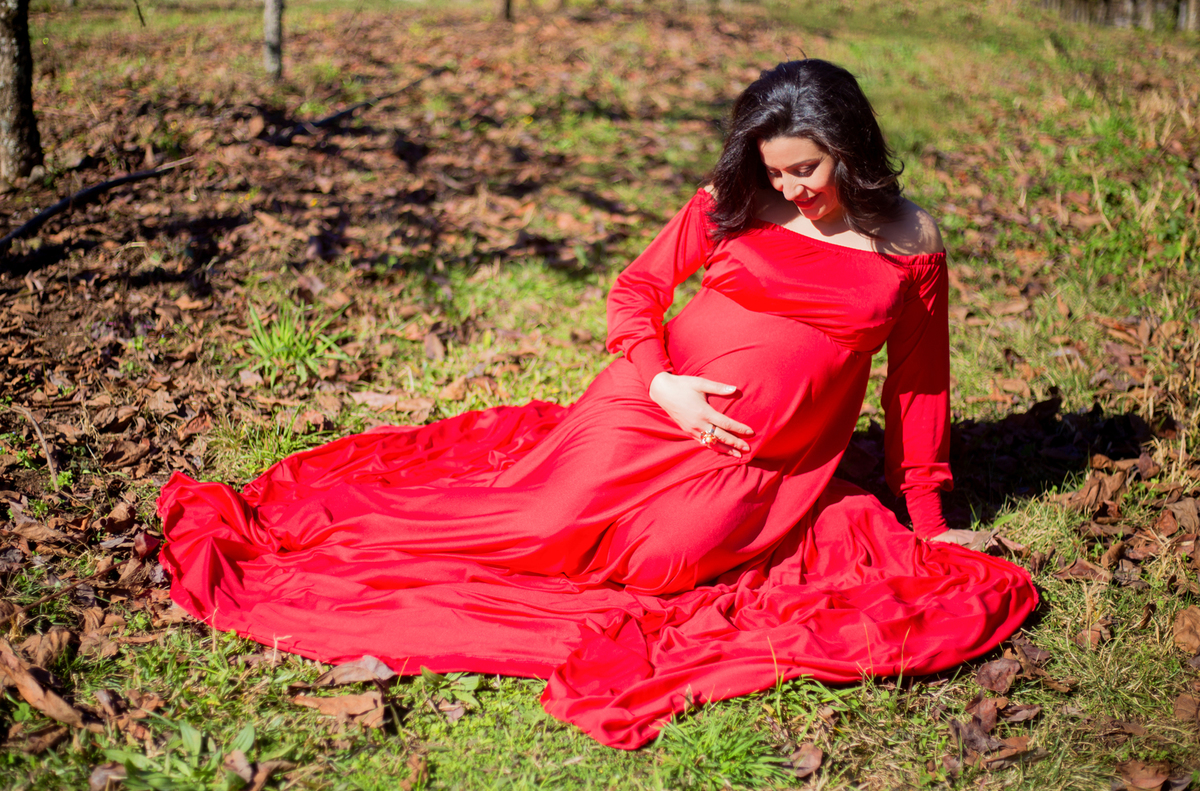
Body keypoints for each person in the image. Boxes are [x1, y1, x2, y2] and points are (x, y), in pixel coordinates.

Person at [157, 59, 1037, 750]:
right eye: (779, 170)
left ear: (849, 143)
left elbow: (917, 384)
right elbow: (637, 290)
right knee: (535, 523)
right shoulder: (739, 202)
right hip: (650, 404)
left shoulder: (909, 240)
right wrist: (666, 385)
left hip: (760, 461)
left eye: (807, 168)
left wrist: (929, 516)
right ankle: (330, 539)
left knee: (661, 566)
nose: (795, 188)